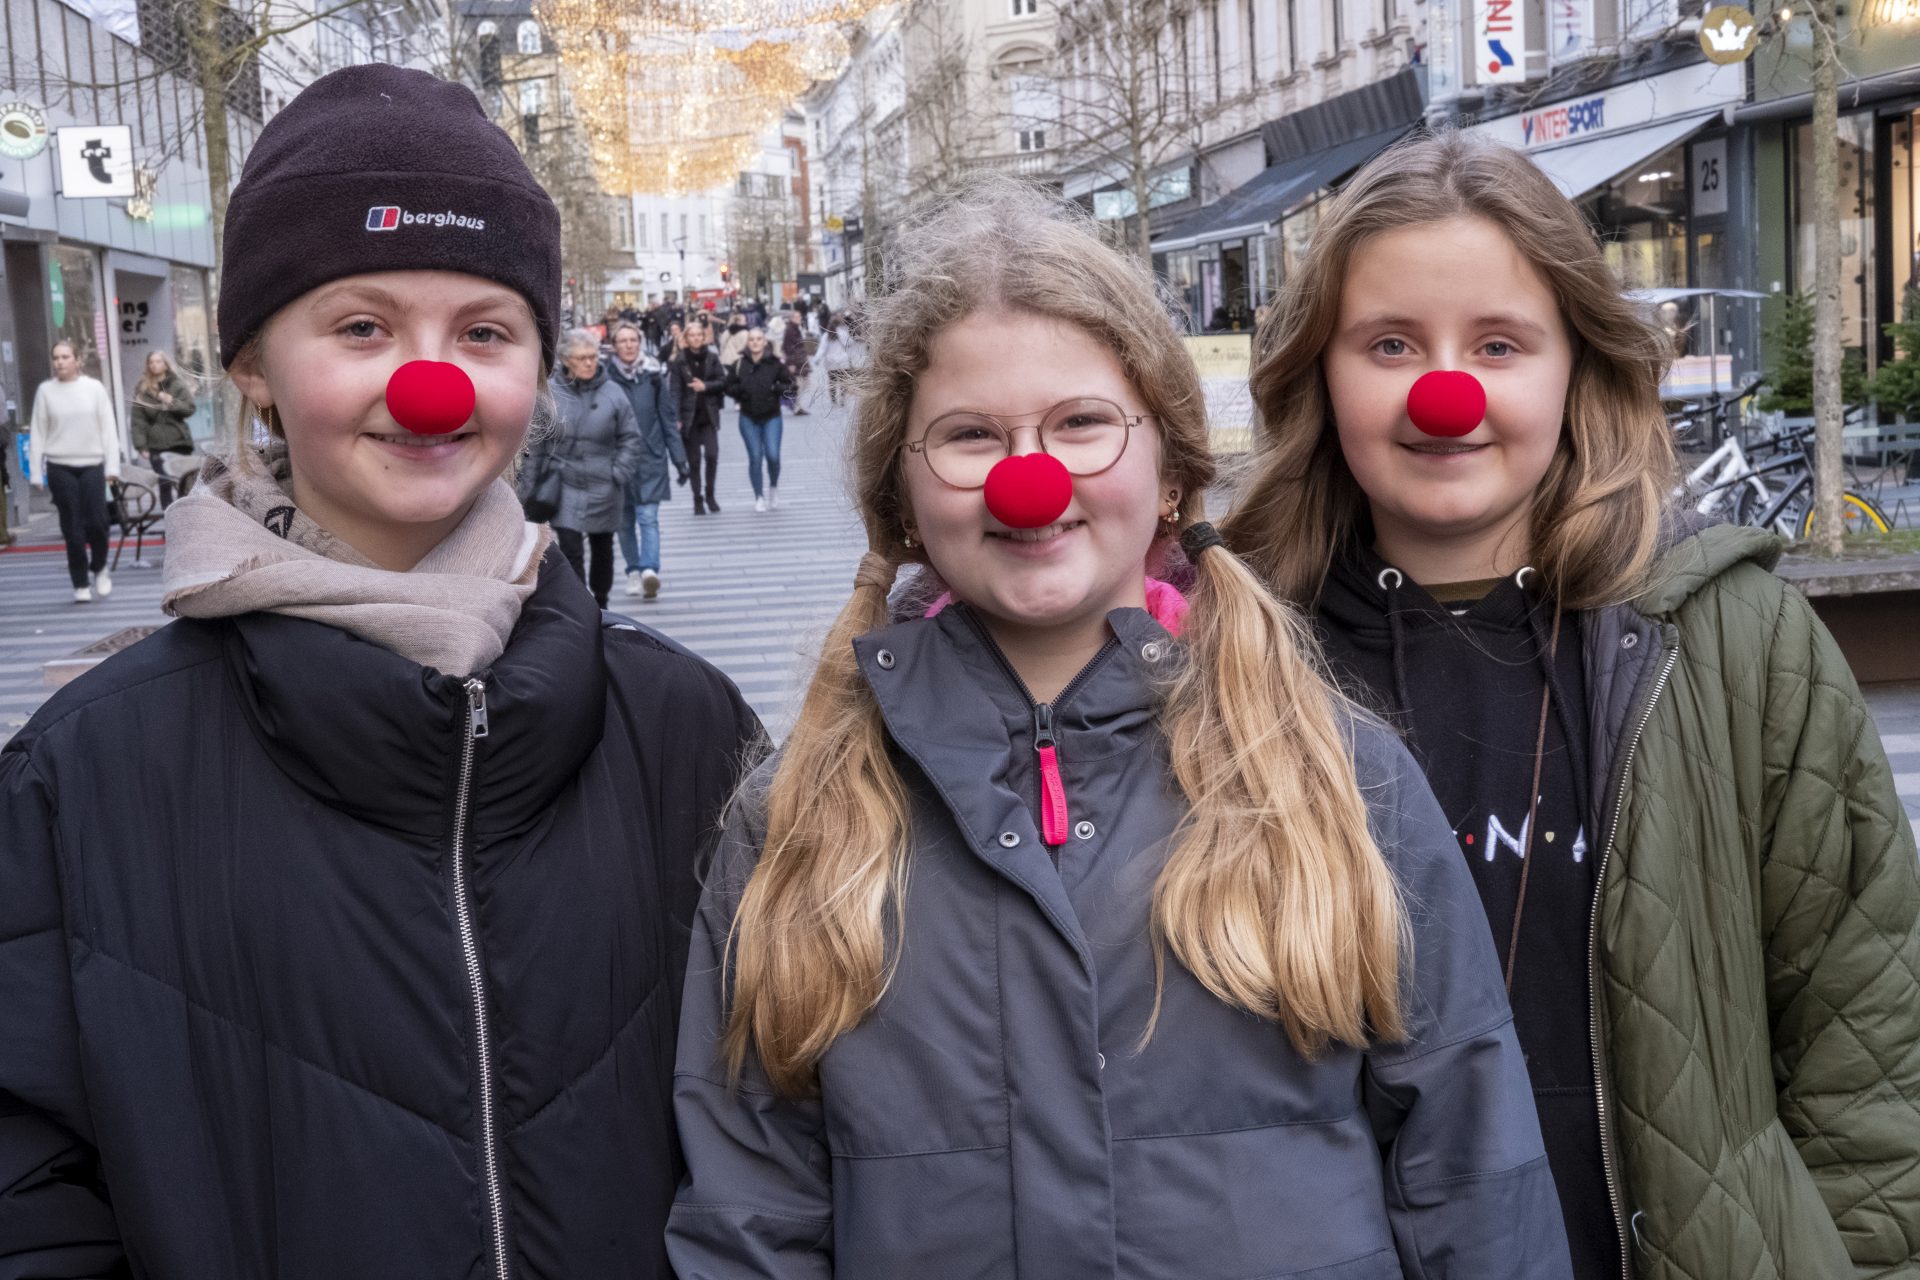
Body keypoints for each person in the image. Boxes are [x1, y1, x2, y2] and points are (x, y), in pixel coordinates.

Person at [667, 176, 1571, 1279]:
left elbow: (1472, 1176)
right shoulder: (799, 816)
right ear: (901, 498)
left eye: (1082, 423)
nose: (1030, 478)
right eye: (967, 435)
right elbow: (751, 1212)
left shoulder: (1338, 777)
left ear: (1176, 470)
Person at [0, 65, 762, 1278]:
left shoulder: (685, 728)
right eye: (362, 328)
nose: (431, 383)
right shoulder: (83, 771)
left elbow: (776, 1127)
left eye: (485, 333)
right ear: (253, 363)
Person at [1220, 131, 1920, 1279]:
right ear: (1318, 371)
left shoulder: (1736, 642)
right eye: (1390, 342)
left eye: (1500, 343)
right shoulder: (1233, 658)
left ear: (1575, 364)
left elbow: (1867, 1042)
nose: (1447, 391)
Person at [531, 328, 642, 608]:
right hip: (564, 483)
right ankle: (583, 606)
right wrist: (528, 489)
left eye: (593, 357)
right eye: (582, 358)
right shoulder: (551, 394)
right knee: (571, 549)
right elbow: (538, 445)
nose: (590, 363)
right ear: (567, 360)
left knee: (602, 548)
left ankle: (602, 602)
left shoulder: (613, 392)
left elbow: (631, 437)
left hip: (605, 483)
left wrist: (619, 471)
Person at [27, 338, 120, 603]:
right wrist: (36, 472)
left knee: (98, 523)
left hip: (92, 464)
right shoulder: (46, 391)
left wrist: (112, 467)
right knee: (72, 528)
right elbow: (38, 432)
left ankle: (100, 566)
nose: (60, 362)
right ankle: (80, 582)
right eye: (56, 357)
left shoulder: (94, 388)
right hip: (59, 466)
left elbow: (108, 429)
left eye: (65, 357)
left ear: (77, 360)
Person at [606, 321, 690, 599]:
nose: (629, 345)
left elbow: (667, 418)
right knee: (624, 519)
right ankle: (632, 570)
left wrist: (679, 459)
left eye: (634, 340)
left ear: (640, 344)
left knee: (648, 517)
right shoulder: (605, 378)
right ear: (615, 346)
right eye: (623, 341)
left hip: (651, 456)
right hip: (617, 460)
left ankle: (649, 571)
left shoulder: (654, 376)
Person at [723, 327, 793, 513]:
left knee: (773, 456)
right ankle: (759, 497)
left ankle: (773, 488)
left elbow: (790, 385)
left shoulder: (775, 363)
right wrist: (741, 391)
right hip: (748, 417)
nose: (755, 342)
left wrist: (775, 388)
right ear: (748, 343)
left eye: (758, 339)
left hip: (772, 416)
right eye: (751, 339)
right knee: (755, 457)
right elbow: (728, 387)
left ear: (764, 342)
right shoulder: (740, 364)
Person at [130, 349, 197, 508]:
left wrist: (171, 401)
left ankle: (186, 513)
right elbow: (138, 420)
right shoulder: (142, 389)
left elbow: (190, 409)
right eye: (151, 362)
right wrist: (141, 445)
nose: (154, 365)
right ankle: (168, 515)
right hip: (156, 445)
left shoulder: (177, 384)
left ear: (165, 364)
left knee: (183, 481)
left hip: (179, 442)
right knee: (164, 481)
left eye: (158, 361)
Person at [672, 319, 726, 515]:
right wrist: (676, 417)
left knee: (712, 456)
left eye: (698, 335)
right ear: (686, 338)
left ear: (704, 337)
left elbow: (722, 381)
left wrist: (706, 386)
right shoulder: (679, 360)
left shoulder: (712, 358)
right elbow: (675, 390)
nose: (695, 338)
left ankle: (710, 494)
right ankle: (697, 499)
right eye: (691, 335)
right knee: (694, 461)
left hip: (709, 415)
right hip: (689, 417)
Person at [817, 313, 862, 407]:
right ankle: (842, 398)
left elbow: (822, 349)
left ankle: (833, 399)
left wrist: (816, 360)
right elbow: (850, 343)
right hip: (843, 362)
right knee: (843, 381)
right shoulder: (842, 333)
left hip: (831, 363)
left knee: (832, 381)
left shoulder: (826, 336)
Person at [779, 308, 811, 416]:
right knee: (799, 384)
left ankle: (797, 405)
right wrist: (790, 363)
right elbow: (787, 347)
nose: (800, 318)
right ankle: (796, 406)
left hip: (800, 360)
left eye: (800, 317)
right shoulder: (790, 330)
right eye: (797, 317)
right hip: (796, 361)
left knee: (804, 383)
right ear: (791, 318)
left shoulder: (795, 328)